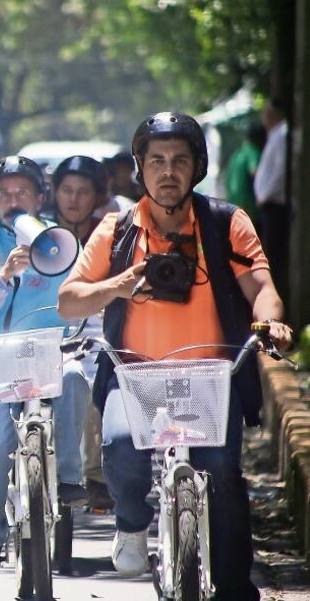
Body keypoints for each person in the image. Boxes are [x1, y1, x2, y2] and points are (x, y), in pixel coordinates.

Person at [58, 112, 292, 600]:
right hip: (134, 374)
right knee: (121, 446)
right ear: (139, 167)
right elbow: (69, 300)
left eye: (180, 161)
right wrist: (119, 284)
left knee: (224, 474)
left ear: (198, 167)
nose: (168, 172)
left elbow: (262, 288)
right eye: (157, 161)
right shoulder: (116, 229)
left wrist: (271, 322)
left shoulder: (227, 222)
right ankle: (131, 523)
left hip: (209, 377)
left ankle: (232, 586)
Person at [0, 155, 89, 584]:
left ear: (39, 198)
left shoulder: (61, 241)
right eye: (4, 194)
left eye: (22, 193)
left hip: (55, 352)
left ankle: (69, 476)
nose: (13, 201)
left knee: (73, 377)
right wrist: (3, 277)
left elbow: (84, 299)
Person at [48, 155, 115, 510]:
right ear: (54, 193)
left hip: (97, 333)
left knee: (100, 386)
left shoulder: (111, 237)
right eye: (67, 190)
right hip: (47, 332)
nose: (73, 200)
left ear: (98, 196)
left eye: (83, 192)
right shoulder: (38, 235)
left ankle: (96, 473)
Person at [253, 97, 289, 293]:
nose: (264, 118)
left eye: (266, 113)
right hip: (268, 204)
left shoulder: (282, 134)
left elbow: (280, 171)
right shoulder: (275, 135)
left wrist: (265, 195)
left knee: (274, 256)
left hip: (275, 204)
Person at [224, 123, 267, 224]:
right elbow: (254, 172)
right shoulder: (253, 152)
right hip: (249, 210)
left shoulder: (237, 154)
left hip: (233, 208)